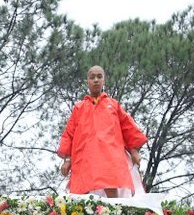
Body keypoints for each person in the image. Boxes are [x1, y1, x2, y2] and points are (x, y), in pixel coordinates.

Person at [56, 65, 147, 198]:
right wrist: (67, 160)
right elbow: (69, 134)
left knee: (110, 184)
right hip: (84, 156)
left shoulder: (113, 105)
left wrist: (134, 151)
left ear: (104, 80)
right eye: (92, 77)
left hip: (109, 155)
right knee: (81, 191)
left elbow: (127, 127)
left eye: (99, 76)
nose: (96, 80)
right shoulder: (79, 108)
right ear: (87, 82)